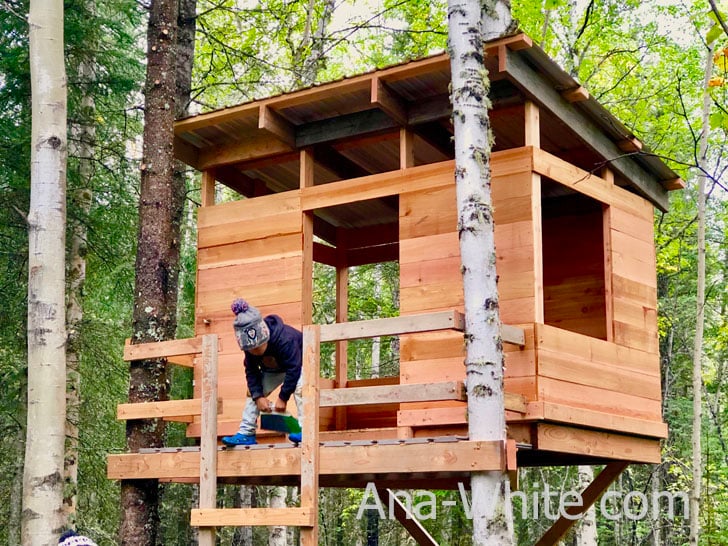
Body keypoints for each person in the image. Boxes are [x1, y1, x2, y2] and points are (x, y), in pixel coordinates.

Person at [222, 298, 303, 446]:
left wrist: (283, 398)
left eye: (259, 348)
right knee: (252, 392)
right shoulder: (249, 351)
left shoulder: (286, 340)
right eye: (251, 350)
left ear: (266, 337)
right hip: (274, 369)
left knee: (301, 388)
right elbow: (252, 373)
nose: (256, 353)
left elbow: (294, 368)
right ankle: (246, 432)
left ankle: (305, 427)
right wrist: (258, 397)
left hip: (299, 364)